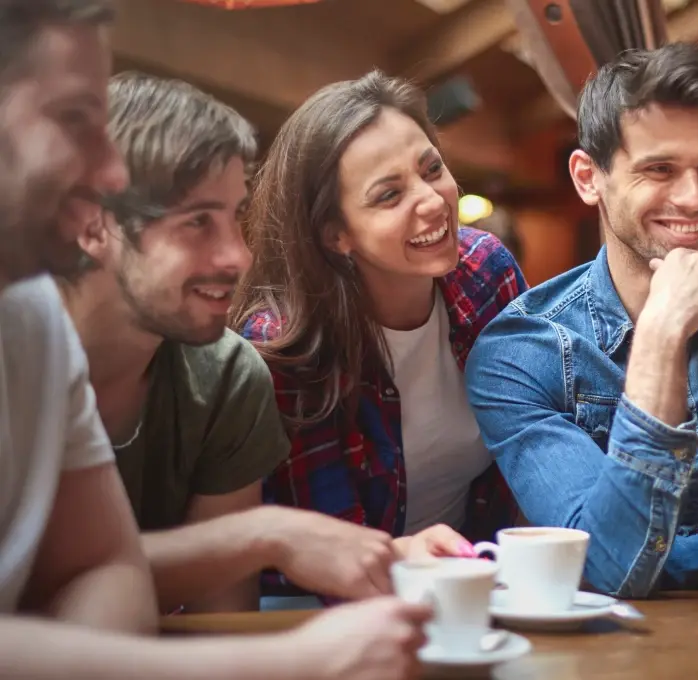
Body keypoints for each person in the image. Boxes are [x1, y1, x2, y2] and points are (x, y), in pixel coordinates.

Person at [0, 2, 429, 679]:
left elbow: (99, 567)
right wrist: (288, 656)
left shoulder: (32, 325)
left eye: (235, 218)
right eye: (74, 118)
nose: (238, 257)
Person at [60, 71, 465, 613]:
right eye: (197, 222)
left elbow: (220, 621)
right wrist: (267, 536)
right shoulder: (22, 360)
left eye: (235, 218)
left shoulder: (228, 376)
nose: (240, 258)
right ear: (92, 226)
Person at [465, 43, 698, 598]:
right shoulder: (521, 352)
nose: (694, 198)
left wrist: (649, 560)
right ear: (588, 177)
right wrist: (661, 335)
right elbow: (609, 568)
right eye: (659, 169)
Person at [231, 70, 525, 580]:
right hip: (315, 608)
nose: (433, 201)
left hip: (473, 587)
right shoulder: (284, 345)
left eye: (432, 169)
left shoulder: (487, 272)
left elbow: (531, 440)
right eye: (389, 195)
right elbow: (331, 546)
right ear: (335, 235)